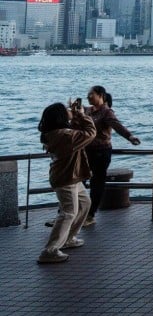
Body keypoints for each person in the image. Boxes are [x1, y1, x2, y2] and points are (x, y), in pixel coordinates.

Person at [37, 99, 96, 263]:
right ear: (60, 116)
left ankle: (69, 238)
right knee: (68, 212)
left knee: (85, 204)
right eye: (66, 109)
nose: (70, 109)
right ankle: (50, 250)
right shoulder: (65, 136)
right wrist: (82, 115)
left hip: (71, 176)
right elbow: (90, 133)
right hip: (66, 178)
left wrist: (76, 116)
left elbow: (77, 133)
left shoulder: (57, 133)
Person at [81, 86, 140, 227]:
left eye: (91, 94)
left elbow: (117, 125)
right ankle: (70, 212)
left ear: (101, 95)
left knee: (96, 183)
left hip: (101, 152)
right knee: (78, 180)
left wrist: (129, 136)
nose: (88, 97)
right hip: (86, 151)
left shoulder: (106, 112)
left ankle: (90, 214)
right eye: (88, 94)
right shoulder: (88, 110)